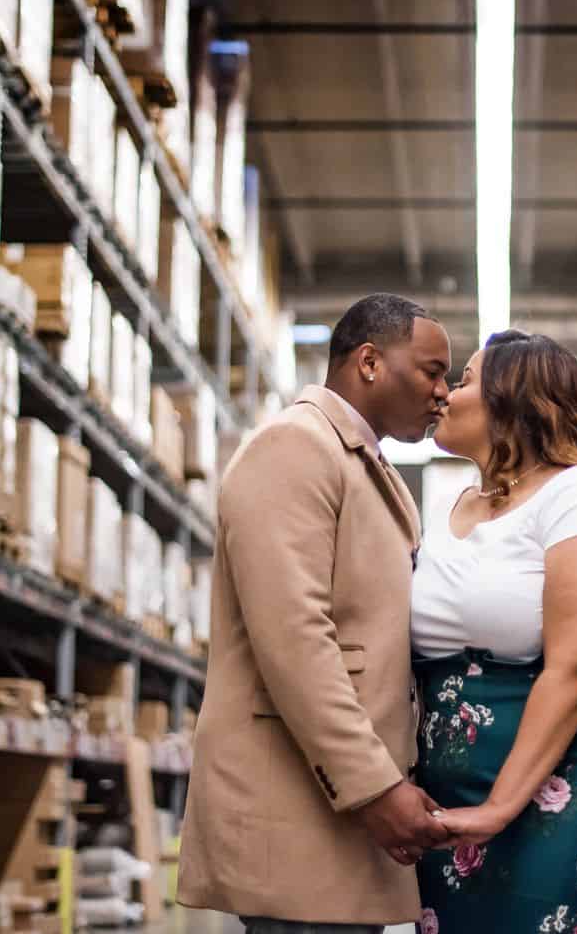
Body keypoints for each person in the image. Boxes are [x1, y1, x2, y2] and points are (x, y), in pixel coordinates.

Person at [178, 294, 454, 933]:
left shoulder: (363, 465)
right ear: (368, 362)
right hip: (301, 808)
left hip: (334, 810)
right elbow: (296, 641)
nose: (442, 392)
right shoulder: (293, 448)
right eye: (431, 371)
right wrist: (376, 788)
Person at [410, 330, 577, 934]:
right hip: (457, 793)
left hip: (574, 784)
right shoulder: (448, 508)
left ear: (512, 401)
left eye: (464, 380)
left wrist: (499, 808)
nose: (444, 392)